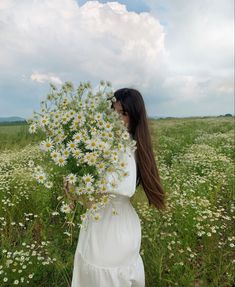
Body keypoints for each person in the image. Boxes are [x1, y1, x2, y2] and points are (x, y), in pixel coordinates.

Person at [66, 88, 166, 287]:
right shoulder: (113, 145)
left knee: (104, 277)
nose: (115, 118)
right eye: (112, 111)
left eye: (122, 114)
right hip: (105, 224)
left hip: (111, 230)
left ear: (135, 117)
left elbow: (115, 191)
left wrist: (76, 191)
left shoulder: (125, 151)